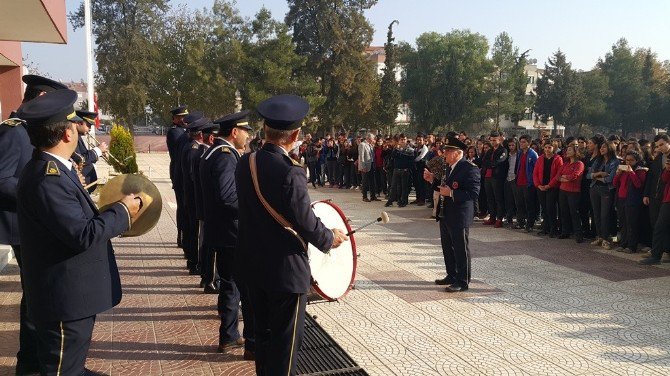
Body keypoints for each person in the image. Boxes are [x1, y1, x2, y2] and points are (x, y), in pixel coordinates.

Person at [16, 89, 140, 375]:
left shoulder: (54, 169)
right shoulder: (48, 179)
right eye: (75, 125)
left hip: (70, 295)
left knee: (72, 365)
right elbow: (82, 234)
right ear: (68, 134)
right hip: (62, 302)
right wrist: (122, 210)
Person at [235, 95, 348, 375]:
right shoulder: (291, 172)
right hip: (285, 274)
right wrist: (328, 237)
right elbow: (305, 221)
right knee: (285, 350)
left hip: (252, 265)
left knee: (263, 340)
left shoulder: (245, 162)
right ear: (295, 135)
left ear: (264, 130)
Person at [1, 74, 67, 375]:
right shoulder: (15, 132)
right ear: (41, 99)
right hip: (21, 224)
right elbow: (3, 179)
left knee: (36, 297)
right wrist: (38, 192)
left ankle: (33, 361)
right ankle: (29, 365)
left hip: (31, 222)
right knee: (36, 299)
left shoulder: (28, 129)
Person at [201, 110, 255, 357]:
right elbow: (226, 197)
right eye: (245, 131)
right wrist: (250, 209)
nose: (248, 136)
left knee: (229, 284)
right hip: (230, 232)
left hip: (219, 230)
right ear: (234, 133)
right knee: (236, 285)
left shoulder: (212, 152)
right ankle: (229, 336)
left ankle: (230, 334)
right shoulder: (225, 157)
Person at [425, 137, 480, 292]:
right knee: (447, 247)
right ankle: (451, 274)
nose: (445, 154)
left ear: (457, 153)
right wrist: (432, 181)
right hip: (446, 213)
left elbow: (473, 193)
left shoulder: (470, 168)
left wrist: (452, 193)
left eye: (448, 151)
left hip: (459, 214)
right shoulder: (449, 167)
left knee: (460, 248)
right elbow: (443, 186)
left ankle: (463, 281)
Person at [545, 145, 585, 243]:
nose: (567, 151)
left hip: (573, 192)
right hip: (563, 190)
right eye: (567, 150)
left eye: (570, 150)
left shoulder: (579, 164)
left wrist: (564, 178)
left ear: (575, 151)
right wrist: (564, 178)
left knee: (574, 213)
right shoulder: (566, 163)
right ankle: (565, 231)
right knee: (563, 212)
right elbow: (558, 176)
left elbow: (574, 176)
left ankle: (578, 234)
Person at [613, 151, 647, 253]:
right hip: (621, 199)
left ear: (637, 160)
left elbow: (639, 185)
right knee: (623, 223)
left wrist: (631, 172)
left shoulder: (640, 171)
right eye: (627, 160)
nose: (628, 162)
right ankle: (623, 243)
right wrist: (618, 174)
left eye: (631, 160)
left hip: (632, 200)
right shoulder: (622, 169)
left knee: (631, 224)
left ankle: (632, 246)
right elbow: (615, 184)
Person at [588, 141, 620, 250]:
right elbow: (588, 175)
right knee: (596, 214)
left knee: (604, 215)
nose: (601, 149)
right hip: (594, 188)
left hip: (606, 190)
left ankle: (606, 238)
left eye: (604, 147)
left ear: (610, 148)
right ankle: (600, 236)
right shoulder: (598, 160)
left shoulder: (615, 162)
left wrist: (596, 177)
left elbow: (610, 179)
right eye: (601, 147)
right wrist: (600, 174)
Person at [166, 104, 190, 247]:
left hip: (185, 172)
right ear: (174, 119)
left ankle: (187, 234)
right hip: (179, 173)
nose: (184, 120)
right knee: (182, 206)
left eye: (185, 117)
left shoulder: (186, 130)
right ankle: (181, 235)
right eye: (181, 118)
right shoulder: (175, 132)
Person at [639, 157, 670, 265]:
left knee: (661, 227)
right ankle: (656, 255)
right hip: (667, 200)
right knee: (659, 226)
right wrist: (667, 169)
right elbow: (665, 179)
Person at [71, 111, 107, 192]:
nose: (90, 129)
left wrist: (99, 153)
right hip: (81, 186)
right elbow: (81, 159)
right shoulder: (73, 138)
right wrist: (97, 150)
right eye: (88, 125)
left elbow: (85, 157)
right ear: (79, 123)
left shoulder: (78, 137)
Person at [534, 143, 564, 237]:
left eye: (549, 147)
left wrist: (549, 185)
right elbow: (535, 173)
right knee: (544, 209)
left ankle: (553, 229)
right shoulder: (540, 158)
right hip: (541, 187)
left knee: (551, 208)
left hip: (552, 188)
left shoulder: (558, 159)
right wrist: (538, 185)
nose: (547, 149)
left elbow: (558, 174)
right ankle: (545, 228)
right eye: (546, 147)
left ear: (553, 148)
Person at [482, 131, 508, 227]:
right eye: (491, 140)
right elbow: (484, 161)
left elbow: (498, 162)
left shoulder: (503, 150)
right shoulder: (489, 151)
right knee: (490, 199)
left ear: (499, 139)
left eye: (494, 140)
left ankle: (500, 218)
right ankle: (492, 217)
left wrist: (491, 164)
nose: (493, 142)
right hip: (488, 177)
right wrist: (491, 164)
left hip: (497, 178)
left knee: (498, 199)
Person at [359, 133, 378, 202]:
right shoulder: (362, 144)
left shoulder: (370, 145)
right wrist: (363, 167)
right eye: (373, 138)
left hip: (372, 165)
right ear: (369, 138)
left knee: (372, 182)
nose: (374, 140)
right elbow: (361, 157)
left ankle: (373, 196)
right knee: (365, 182)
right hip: (365, 166)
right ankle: (364, 197)